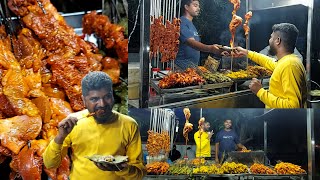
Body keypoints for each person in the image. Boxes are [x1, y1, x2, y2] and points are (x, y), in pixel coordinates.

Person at [43, 71, 146, 180]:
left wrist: (122, 169)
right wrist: (60, 136)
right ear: (83, 100)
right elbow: (50, 164)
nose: (102, 104)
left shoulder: (129, 124)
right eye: (94, 99)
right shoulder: (73, 122)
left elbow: (139, 173)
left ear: (112, 95)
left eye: (107, 97)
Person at [234, 23, 307, 108]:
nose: (269, 40)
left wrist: (260, 91)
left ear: (278, 40)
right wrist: (246, 52)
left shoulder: (289, 65)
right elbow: (268, 61)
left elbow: (293, 106)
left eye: (271, 37)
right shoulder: (287, 61)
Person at [175, 0, 225, 70]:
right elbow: (191, 42)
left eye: (198, 6)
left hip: (192, 68)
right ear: (186, 7)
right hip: (181, 68)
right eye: (195, 5)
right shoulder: (181, 22)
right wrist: (210, 48)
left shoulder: (191, 24)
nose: (198, 8)